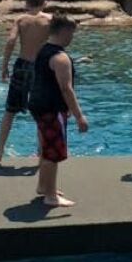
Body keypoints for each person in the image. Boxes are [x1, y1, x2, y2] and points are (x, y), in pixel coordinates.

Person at [28, 15, 89, 207]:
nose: (73, 37)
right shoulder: (61, 58)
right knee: (53, 152)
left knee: (46, 147)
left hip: (38, 105)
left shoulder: (42, 50)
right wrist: (79, 115)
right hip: (51, 109)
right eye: (72, 33)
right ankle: (51, 196)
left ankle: (43, 187)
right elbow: (66, 88)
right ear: (64, 31)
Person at [0, 0, 51, 164]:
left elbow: (10, 42)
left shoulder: (21, 20)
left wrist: (4, 66)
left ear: (26, 3)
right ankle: (41, 153)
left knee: (10, 111)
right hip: (42, 67)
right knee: (41, 111)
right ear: (45, 2)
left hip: (23, 65)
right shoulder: (50, 20)